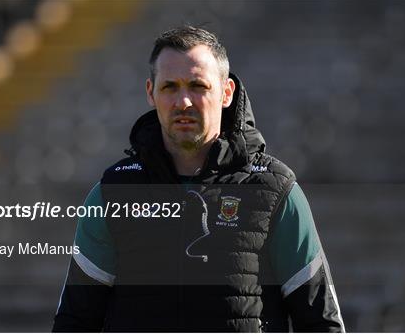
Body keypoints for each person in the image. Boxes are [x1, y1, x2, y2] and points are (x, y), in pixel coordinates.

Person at [53, 26, 345, 332]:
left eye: (198, 86)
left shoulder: (274, 192)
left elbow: (321, 324)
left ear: (226, 92)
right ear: (151, 92)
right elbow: (75, 322)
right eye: (170, 87)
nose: (184, 102)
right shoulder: (112, 195)